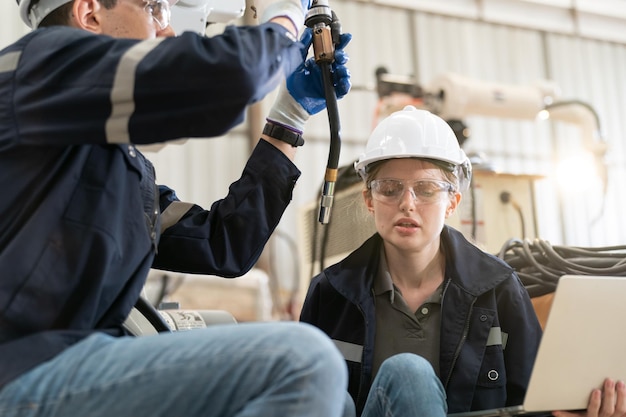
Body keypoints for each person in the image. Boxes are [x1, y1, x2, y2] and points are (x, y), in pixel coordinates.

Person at [0, 0, 353, 415]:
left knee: (340, 403)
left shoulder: (111, 167)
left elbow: (224, 242)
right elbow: (228, 76)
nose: (167, 32)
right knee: (304, 361)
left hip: (72, 366)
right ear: (90, 11)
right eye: (153, 9)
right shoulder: (37, 66)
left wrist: (289, 114)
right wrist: (288, 15)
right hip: (22, 368)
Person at [300, 105, 544, 416]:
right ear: (369, 200)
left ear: (452, 202)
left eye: (426, 190)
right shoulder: (330, 294)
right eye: (389, 189)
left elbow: (537, 402)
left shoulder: (500, 290)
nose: (407, 204)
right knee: (405, 375)